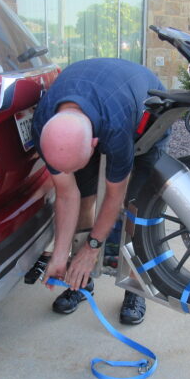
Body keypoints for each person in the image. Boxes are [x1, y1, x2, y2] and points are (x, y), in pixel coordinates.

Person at [28, 58, 169, 325]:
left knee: (135, 208)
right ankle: (81, 281)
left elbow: (115, 196)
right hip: (94, 105)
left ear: (95, 144)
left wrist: (92, 248)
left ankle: (134, 288)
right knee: (83, 197)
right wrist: (60, 254)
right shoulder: (45, 127)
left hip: (147, 115)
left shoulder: (116, 130)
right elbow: (68, 195)